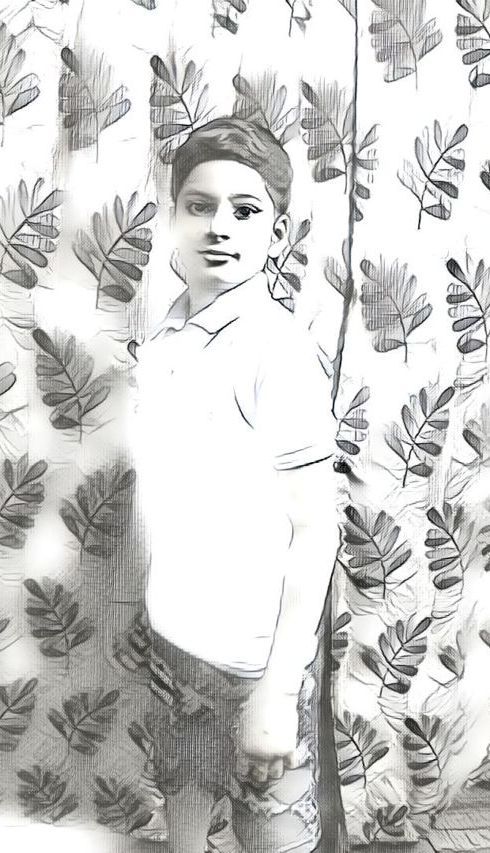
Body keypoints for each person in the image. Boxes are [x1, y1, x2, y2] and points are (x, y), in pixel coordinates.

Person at [126, 115, 344, 853]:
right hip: (178, 635)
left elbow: (314, 528)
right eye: (200, 205)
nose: (219, 226)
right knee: (185, 797)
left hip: (256, 658)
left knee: (271, 830)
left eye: (245, 211)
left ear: (276, 234)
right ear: (174, 217)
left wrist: (279, 689)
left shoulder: (276, 350)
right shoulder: (165, 337)